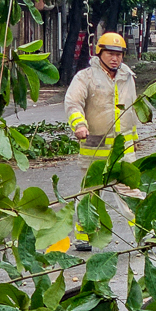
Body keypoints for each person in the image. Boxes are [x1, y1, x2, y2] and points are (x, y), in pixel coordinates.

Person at [60, 32, 140, 251]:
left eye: (119, 54)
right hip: (95, 149)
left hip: (123, 149)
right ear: (99, 53)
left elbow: (131, 108)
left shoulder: (127, 76)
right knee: (91, 194)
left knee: (131, 192)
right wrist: (79, 125)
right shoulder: (86, 77)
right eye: (110, 54)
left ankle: (146, 232)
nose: (115, 58)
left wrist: (135, 137)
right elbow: (73, 102)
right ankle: (84, 236)